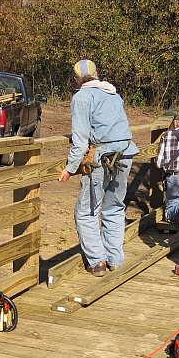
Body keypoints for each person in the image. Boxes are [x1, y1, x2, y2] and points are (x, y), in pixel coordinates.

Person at [58, 59, 138, 277]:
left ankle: (97, 261)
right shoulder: (113, 93)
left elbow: (81, 139)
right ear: (97, 74)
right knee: (114, 206)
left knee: (86, 211)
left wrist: (70, 168)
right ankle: (115, 259)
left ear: (76, 78)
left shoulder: (82, 97)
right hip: (126, 152)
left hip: (102, 156)